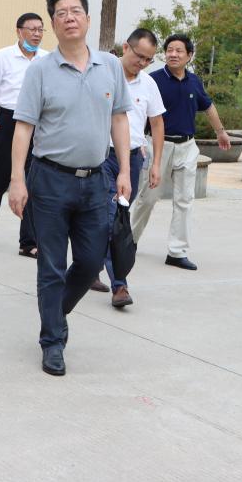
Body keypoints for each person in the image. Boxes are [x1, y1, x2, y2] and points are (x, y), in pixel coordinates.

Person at [8, 0, 132, 376]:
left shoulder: (110, 66)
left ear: (88, 20)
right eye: (61, 13)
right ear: (53, 24)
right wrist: (17, 179)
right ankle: (53, 342)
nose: (69, 18)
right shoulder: (40, 70)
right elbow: (23, 127)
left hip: (96, 180)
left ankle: (54, 313)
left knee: (91, 261)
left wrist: (124, 170)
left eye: (76, 11)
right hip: (49, 179)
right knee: (51, 265)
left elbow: (119, 118)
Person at [129, 33, 231, 271]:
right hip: (158, 146)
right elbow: (139, 111)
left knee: (185, 200)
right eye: (169, 50)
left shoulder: (194, 81)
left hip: (187, 147)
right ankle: (129, 241)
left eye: (179, 51)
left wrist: (221, 132)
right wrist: (139, 140)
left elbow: (208, 106)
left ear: (189, 55)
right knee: (148, 198)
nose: (173, 54)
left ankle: (177, 252)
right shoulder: (152, 80)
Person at [93, 28, 165, 307]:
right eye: (139, 56)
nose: (143, 63)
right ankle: (119, 285)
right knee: (114, 220)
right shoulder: (102, 76)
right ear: (126, 47)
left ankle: (89, 267)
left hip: (132, 159)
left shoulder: (148, 84)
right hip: (101, 157)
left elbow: (156, 123)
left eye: (149, 59)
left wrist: (155, 163)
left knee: (112, 219)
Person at [0, 13, 48, 255]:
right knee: (2, 178)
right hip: (8, 120)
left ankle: (28, 242)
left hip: (37, 123)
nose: (37, 34)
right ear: (19, 31)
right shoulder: (3, 56)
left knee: (33, 180)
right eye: (32, 29)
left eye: (40, 29)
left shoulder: (47, 59)